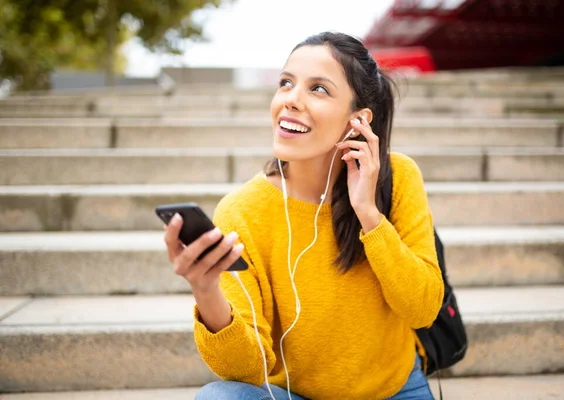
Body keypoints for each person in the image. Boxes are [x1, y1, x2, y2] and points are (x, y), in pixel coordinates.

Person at [163, 32, 443, 400]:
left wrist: (369, 214)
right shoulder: (242, 211)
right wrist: (206, 291)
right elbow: (245, 371)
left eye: (319, 89)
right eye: (285, 83)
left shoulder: (399, 177)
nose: (291, 100)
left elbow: (422, 310)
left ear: (357, 120)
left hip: (393, 390)